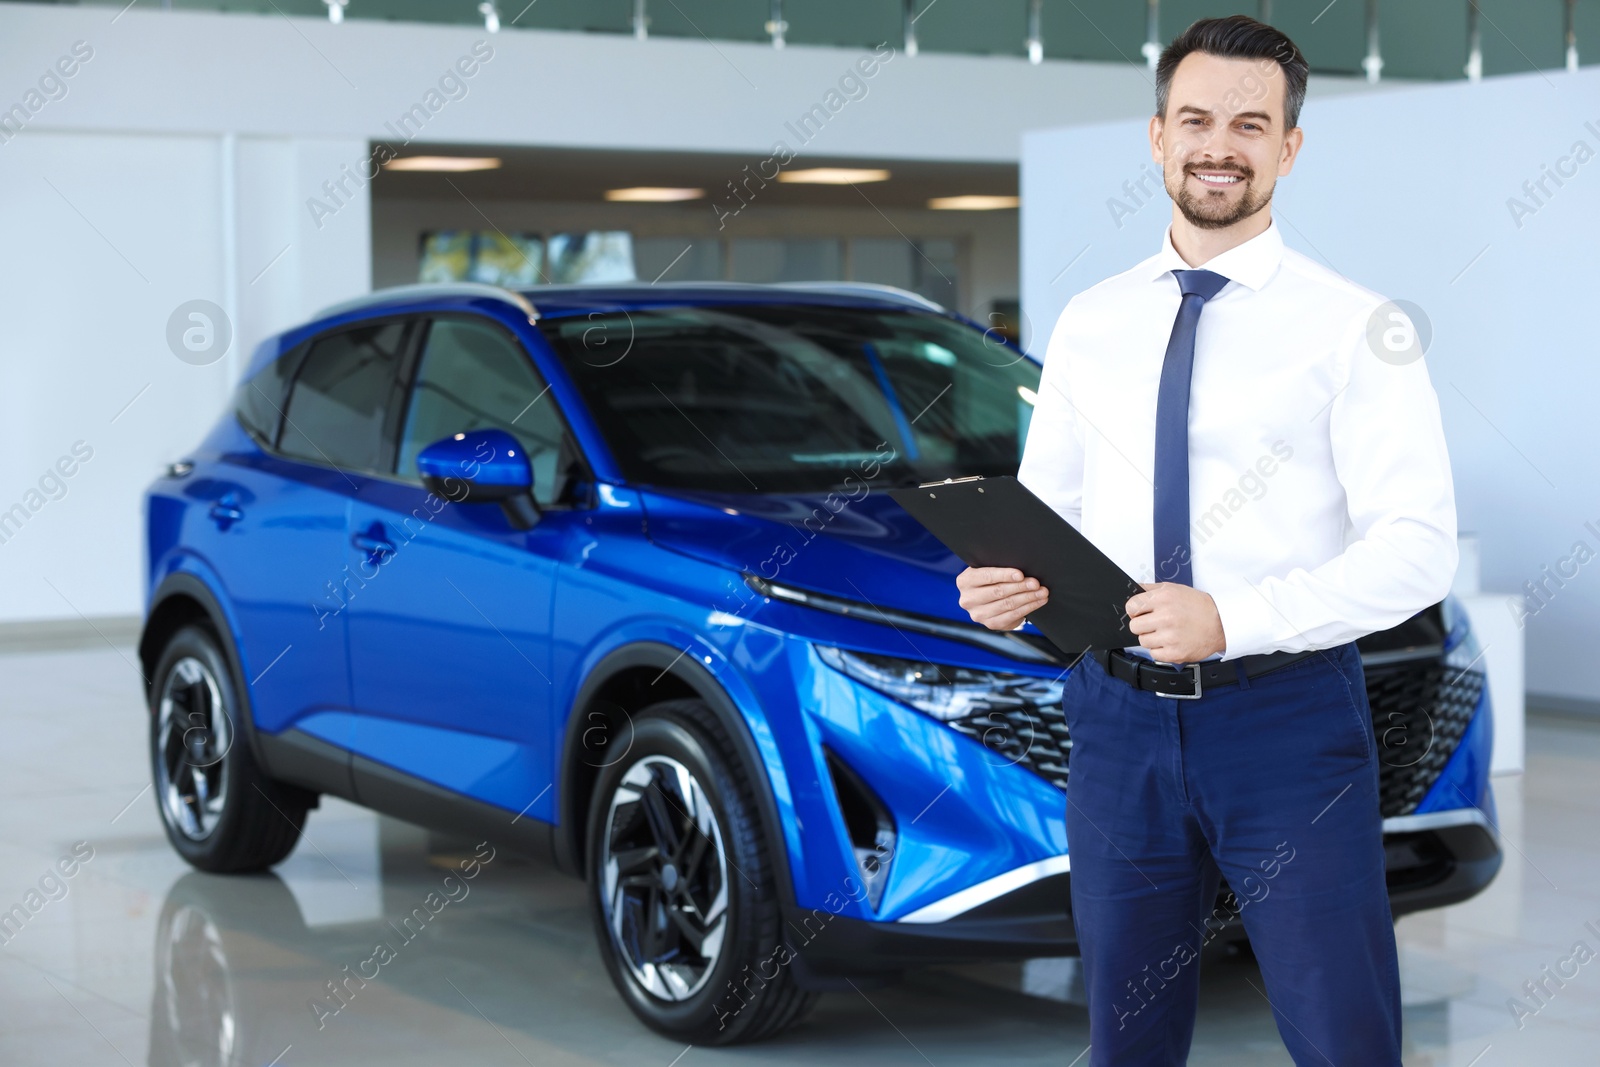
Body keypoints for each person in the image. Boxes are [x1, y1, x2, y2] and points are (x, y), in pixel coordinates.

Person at [956, 15, 1456, 1067]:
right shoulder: (1093, 320)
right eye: (1194, 118)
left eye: (1247, 122)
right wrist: (1007, 582)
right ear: (1155, 136)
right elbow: (1052, 513)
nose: (1216, 143)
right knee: (1126, 1037)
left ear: (1288, 146)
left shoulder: (1353, 326)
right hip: (1115, 722)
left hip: (1285, 722)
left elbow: (1416, 546)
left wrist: (1236, 617)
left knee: (1341, 1032)